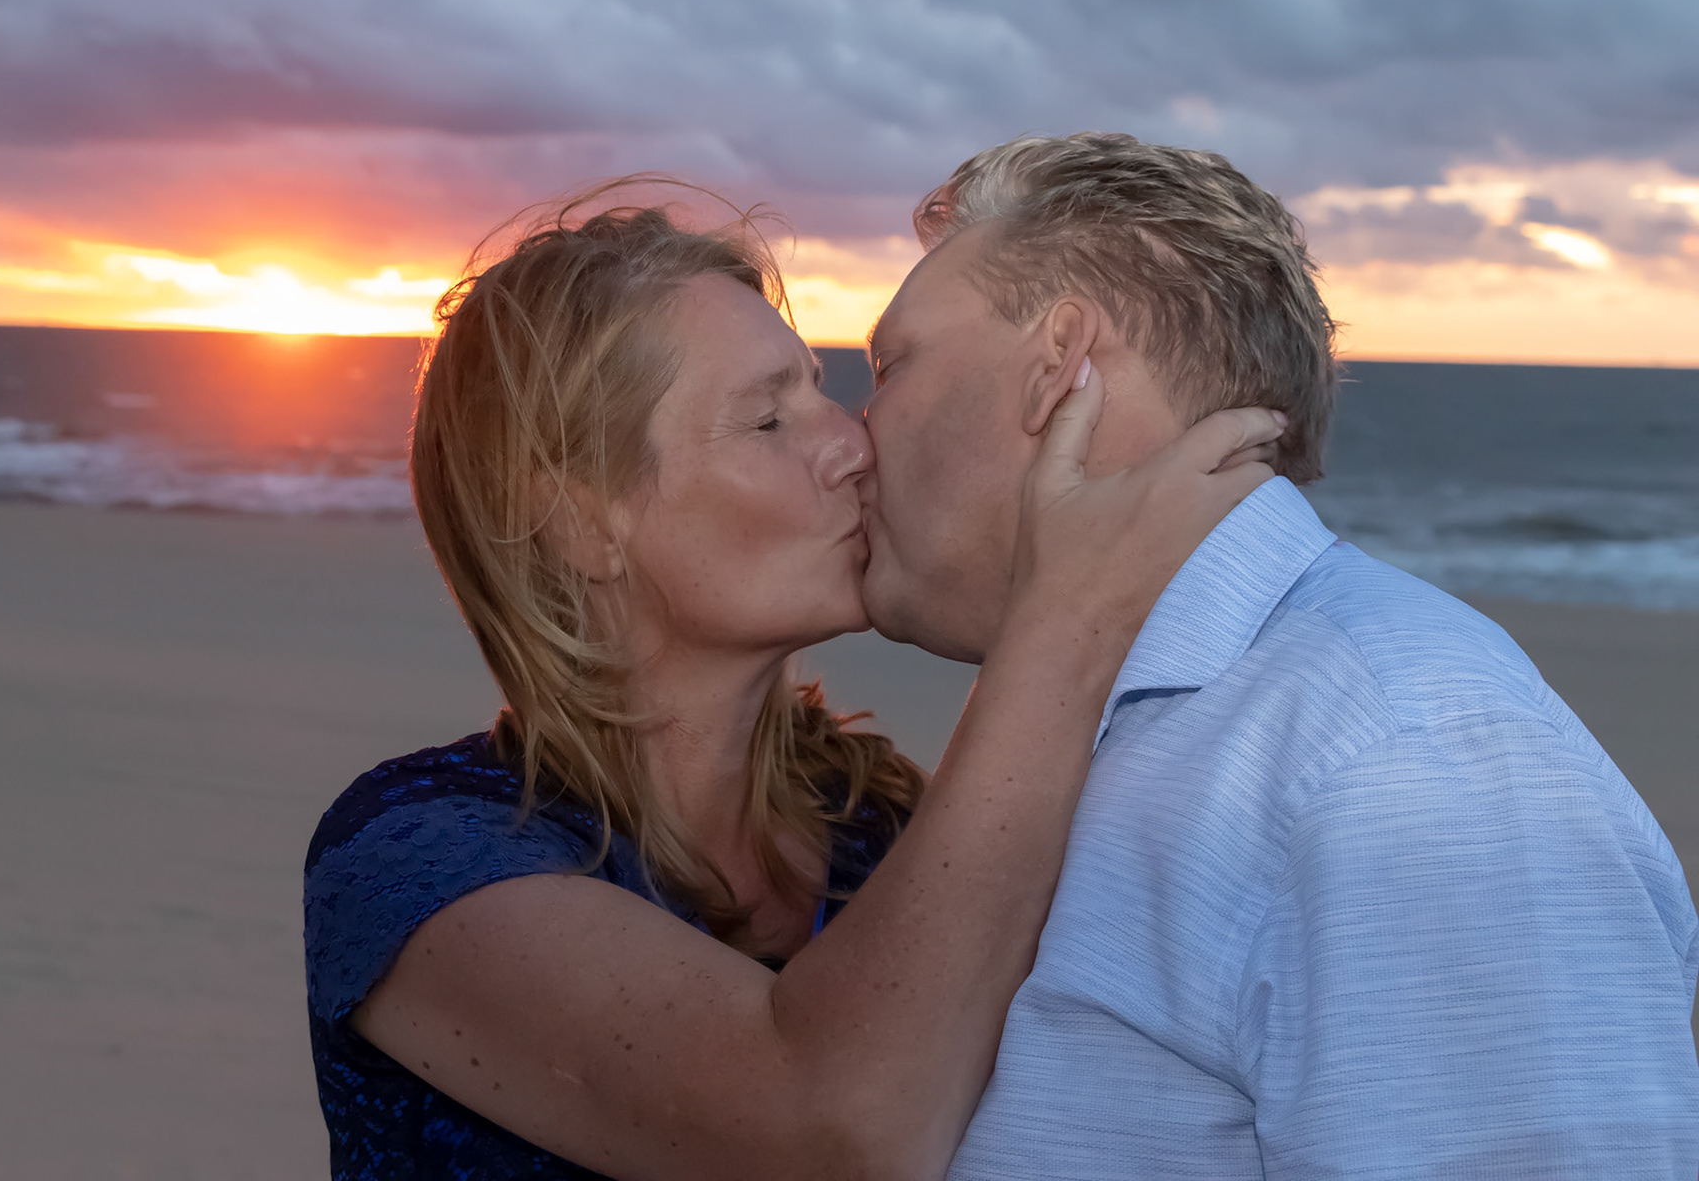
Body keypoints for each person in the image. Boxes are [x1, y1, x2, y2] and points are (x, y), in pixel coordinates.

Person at [301, 187, 1282, 1180]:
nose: (854, 446)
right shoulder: (418, 859)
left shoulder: (877, 825)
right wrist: (1064, 621)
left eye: (822, 389)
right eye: (769, 419)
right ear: (580, 522)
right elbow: (832, 1129)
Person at [856, 132, 1699, 1177]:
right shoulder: (1128, 718)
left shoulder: (1408, 765)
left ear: (1062, 370)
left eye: (889, 367)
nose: (852, 436)